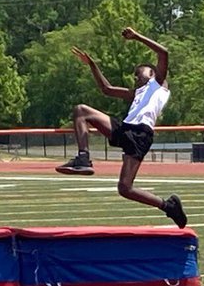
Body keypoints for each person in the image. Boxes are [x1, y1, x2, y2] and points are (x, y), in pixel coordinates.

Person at [55, 26, 187, 227]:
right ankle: (84, 158)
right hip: (125, 128)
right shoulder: (137, 92)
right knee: (81, 111)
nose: (135, 77)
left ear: (152, 73)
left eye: (138, 73)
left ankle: (168, 206)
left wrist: (137, 37)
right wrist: (92, 64)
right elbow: (106, 89)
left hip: (140, 133)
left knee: (125, 188)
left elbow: (163, 52)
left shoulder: (157, 84)